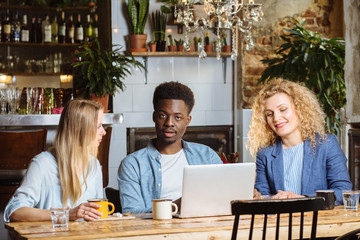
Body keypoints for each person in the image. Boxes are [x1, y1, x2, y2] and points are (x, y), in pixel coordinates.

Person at [118, 81, 222, 213]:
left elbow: (223, 196)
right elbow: (131, 213)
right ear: (154, 117)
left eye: (178, 117)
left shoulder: (207, 156)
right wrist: (174, 207)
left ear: (187, 121)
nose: (169, 123)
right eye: (163, 115)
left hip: (204, 227)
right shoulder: (133, 164)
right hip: (158, 231)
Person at [247, 79, 352, 204]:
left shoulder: (326, 144)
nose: (276, 118)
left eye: (283, 109)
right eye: (269, 114)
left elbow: (343, 191)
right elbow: (264, 194)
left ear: (299, 108)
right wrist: (257, 196)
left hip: (319, 220)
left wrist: (304, 200)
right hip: (280, 221)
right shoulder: (265, 153)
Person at [4, 99, 106, 222]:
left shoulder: (93, 164)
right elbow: (15, 211)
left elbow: (98, 213)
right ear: (79, 129)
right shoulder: (42, 164)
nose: (104, 132)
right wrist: (67, 214)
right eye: (99, 126)